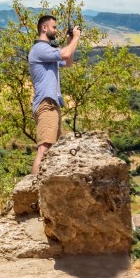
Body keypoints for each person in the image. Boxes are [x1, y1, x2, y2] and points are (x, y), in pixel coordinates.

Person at [29, 14, 80, 175]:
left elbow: (68, 62)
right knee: (44, 148)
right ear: (44, 28)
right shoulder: (39, 49)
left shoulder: (48, 50)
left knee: (51, 149)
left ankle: (42, 185)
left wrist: (68, 42)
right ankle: (34, 187)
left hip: (53, 104)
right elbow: (64, 54)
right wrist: (76, 38)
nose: (56, 30)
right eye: (54, 27)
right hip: (46, 103)